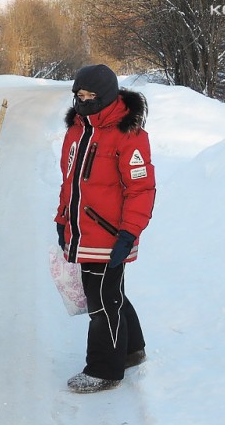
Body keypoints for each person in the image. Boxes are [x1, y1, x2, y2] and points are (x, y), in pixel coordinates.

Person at [54, 64, 156, 392]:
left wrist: (129, 233)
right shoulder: (77, 130)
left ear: (108, 97)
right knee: (110, 294)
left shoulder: (129, 135)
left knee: (101, 300)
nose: (83, 103)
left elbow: (141, 189)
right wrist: (62, 219)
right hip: (82, 231)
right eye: (79, 96)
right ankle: (130, 350)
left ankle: (104, 368)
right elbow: (69, 182)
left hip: (111, 235)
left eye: (90, 97)